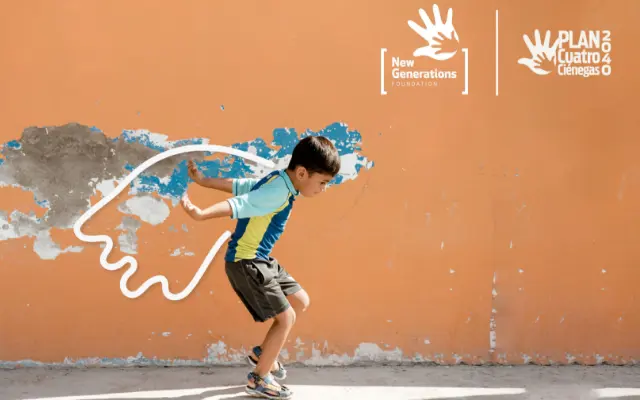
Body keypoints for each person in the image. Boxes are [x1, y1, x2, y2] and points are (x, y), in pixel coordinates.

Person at [180, 135, 341, 399]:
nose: (323, 188)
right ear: (302, 172)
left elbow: (241, 187)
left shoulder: (279, 180)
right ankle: (259, 379)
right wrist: (201, 214)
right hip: (247, 262)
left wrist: (204, 181)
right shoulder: (279, 191)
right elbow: (242, 203)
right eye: (322, 182)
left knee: (299, 300)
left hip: (262, 259)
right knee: (286, 317)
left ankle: (261, 355)